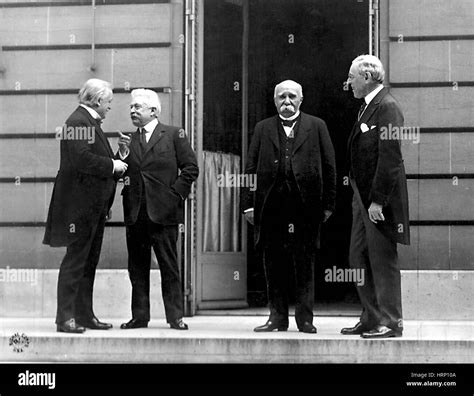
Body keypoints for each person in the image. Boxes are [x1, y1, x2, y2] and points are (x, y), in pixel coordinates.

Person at [242, 80, 336, 333]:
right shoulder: (262, 128)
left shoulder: (317, 126)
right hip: (271, 208)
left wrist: (327, 204)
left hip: (305, 208)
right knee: (273, 264)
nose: (287, 101)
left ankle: (305, 319)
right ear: (275, 101)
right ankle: (277, 318)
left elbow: (329, 167)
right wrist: (248, 205)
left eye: (292, 96)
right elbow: (250, 167)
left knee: (304, 265)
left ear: (301, 100)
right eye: (281, 97)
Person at [44, 78, 128, 333]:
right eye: (109, 102)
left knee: (87, 262)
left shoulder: (87, 122)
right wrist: (113, 166)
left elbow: (92, 161)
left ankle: (83, 315)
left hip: (91, 207)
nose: (110, 107)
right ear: (98, 100)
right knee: (76, 261)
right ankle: (66, 318)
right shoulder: (77, 121)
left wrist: (118, 156)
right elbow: (81, 160)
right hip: (79, 209)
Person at [341, 55, 410, 338]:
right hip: (362, 197)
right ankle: (371, 316)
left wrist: (378, 201)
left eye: (352, 77)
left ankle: (391, 322)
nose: (348, 83)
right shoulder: (367, 108)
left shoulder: (387, 107)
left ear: (367, 77)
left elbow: (390, 156)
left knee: (382, 259)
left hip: (378, 201)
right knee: (358, 257)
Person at [117, 89, 198, 330]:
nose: (132, 110)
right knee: (137, 268)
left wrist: (175, 196)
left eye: (137, 107)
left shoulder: (174, 135)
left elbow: (191, 168)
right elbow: (120, 171)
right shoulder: (128, 140)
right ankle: (140, 317)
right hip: (136, 213)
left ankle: (175, 317)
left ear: (153, 111)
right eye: (131, 107)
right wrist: (121, 154)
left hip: (164, 213)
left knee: (169, 266)